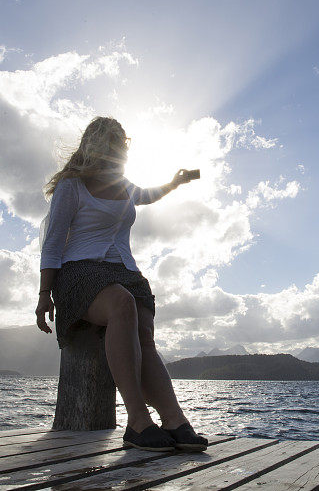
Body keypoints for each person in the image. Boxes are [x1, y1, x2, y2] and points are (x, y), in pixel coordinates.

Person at [35, 116, 207, 452]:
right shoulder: (71, 186)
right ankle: (138, 421)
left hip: (124, 272)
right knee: (122, 304)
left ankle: (174, 420)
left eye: (122, 145)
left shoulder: (125, 186)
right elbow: (54, 242)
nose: (119, 151)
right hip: (78, 273)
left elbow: (146, 195)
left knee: (144, 333)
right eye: (114, 144)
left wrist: (174, 183)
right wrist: (44, 295)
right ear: (96, 146)